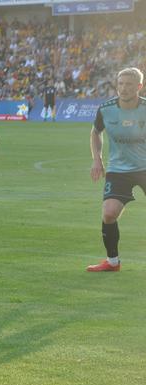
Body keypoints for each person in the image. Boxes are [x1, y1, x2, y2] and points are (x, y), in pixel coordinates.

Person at [87, 67, 146, 272]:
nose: (124, 88)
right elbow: (95, 132)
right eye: (121, 83)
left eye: (129, 84)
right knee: (109, 213)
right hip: (118, 170)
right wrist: (97, 159)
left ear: (139, 86)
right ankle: (112, 261)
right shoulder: (106, 109)